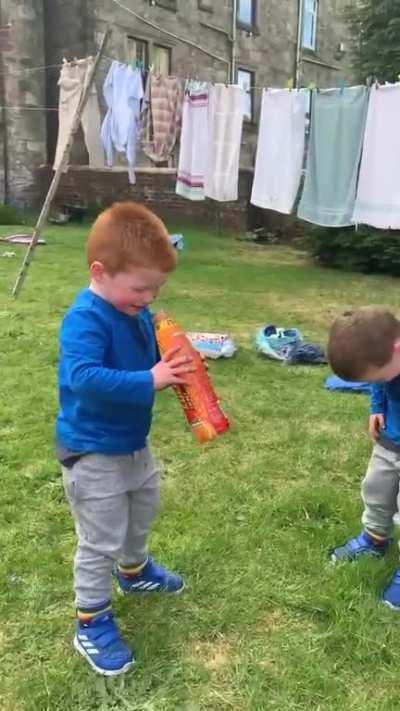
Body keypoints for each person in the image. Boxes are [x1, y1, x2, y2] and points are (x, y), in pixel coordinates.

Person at [57, 202, 195, 675]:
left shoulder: (133, 308)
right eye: (141, 288)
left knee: (142, 509)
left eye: (156, 288)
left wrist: (173, 359)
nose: (149, 297)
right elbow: (84, 377)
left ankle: (134, 573)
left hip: (134, 443)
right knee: (99, 538)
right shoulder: (86, 318)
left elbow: (147, 349)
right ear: (101, 272)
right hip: (93, 451)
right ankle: (91, 619)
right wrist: (149, 380)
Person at [328, 307, 400, 610]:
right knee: (376, 490)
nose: (378, 381)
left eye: (378, 375)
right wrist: (376, 407)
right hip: (388, 441)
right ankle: (375, 539)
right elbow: (379, 382)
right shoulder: (385, 358)